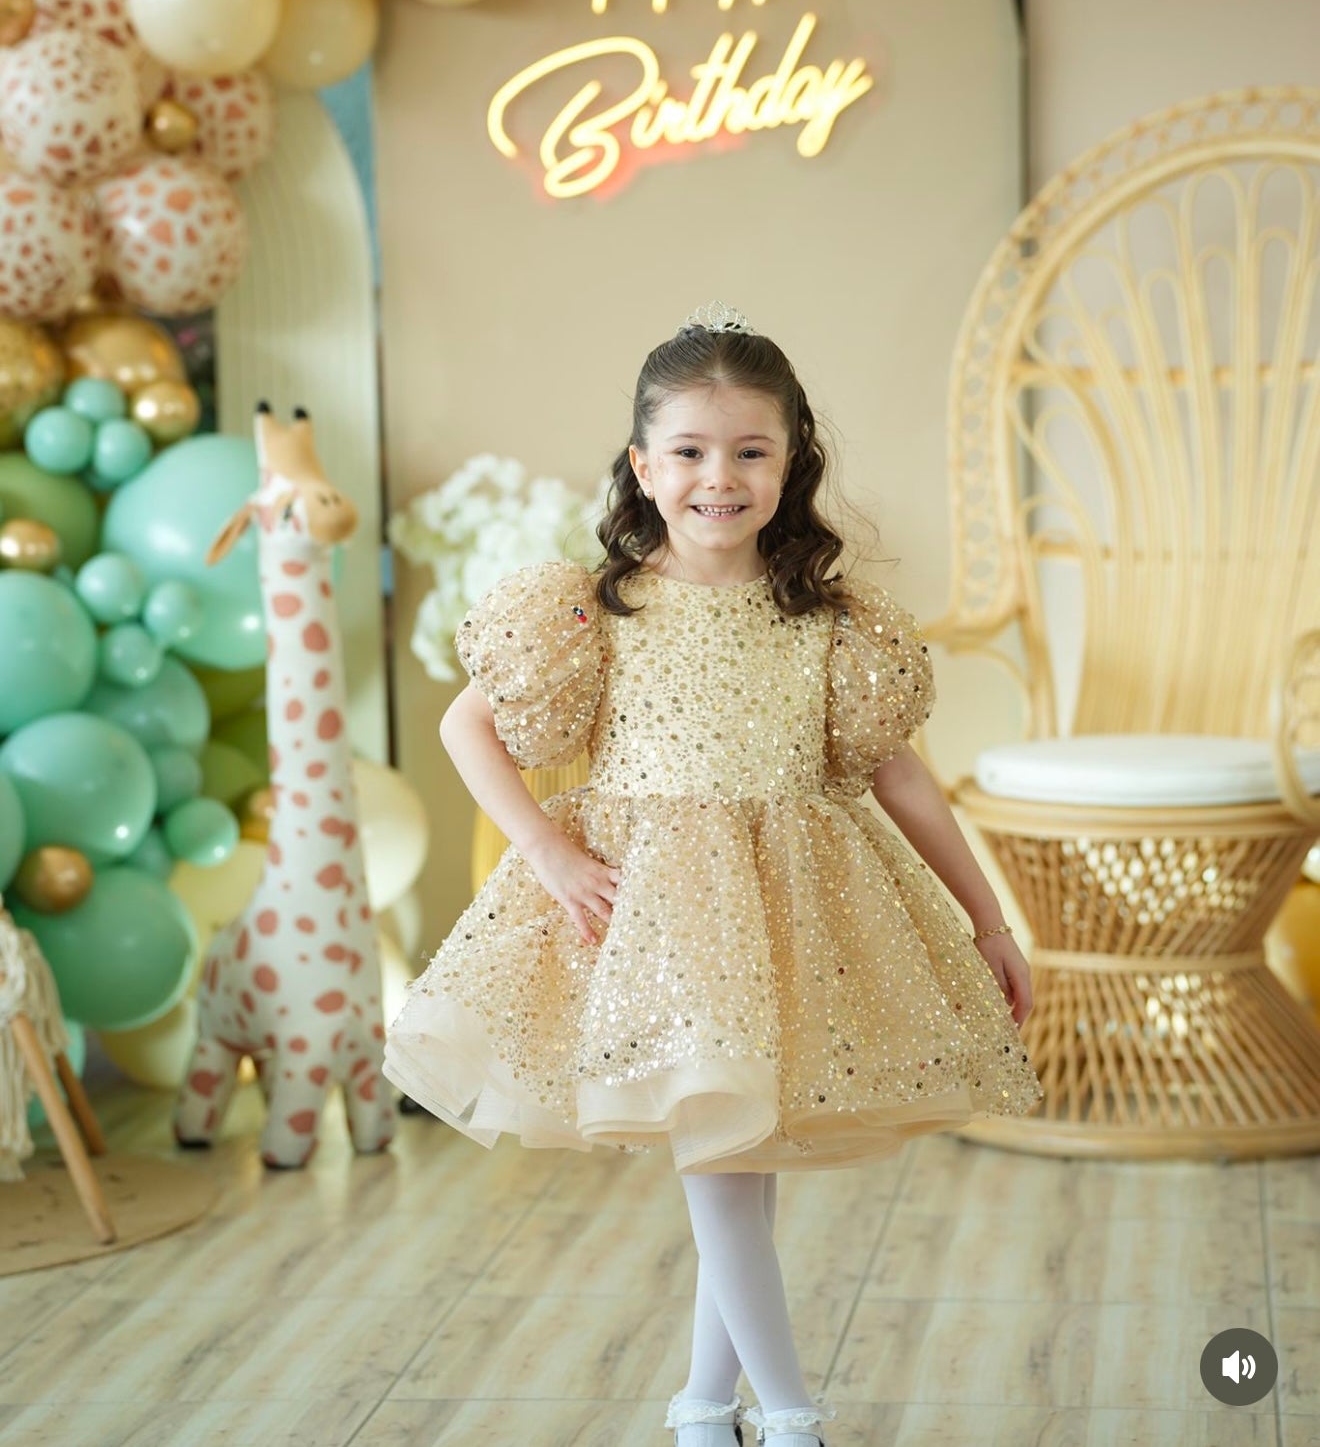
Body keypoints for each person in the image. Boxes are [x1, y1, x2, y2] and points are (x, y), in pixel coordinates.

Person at [383, 300, 1045, 1447]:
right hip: (659, 918)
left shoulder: (830, 620)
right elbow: (465, 727)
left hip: (791, 910)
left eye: (750, 452)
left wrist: (987, 918)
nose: (719, 478)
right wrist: (547, 851)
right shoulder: (593, 608)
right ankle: (788, 1416)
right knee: (726, 1171)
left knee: (740, 1162)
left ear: (791, 462)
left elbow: (900, 775)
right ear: (644, 466)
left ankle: (702, 1408)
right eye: (689, 451)